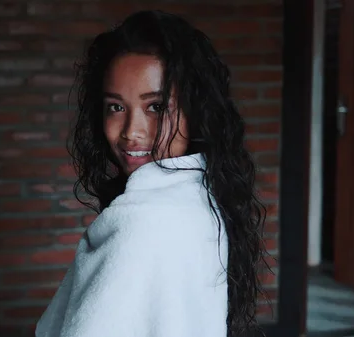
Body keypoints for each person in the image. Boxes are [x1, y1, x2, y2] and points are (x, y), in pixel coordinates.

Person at [35, 10, 267, 337]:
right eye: (116, 107)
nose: (132, 132)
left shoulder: (143, 222)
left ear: (194, 110)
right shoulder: (201, 197)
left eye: (155, 107)